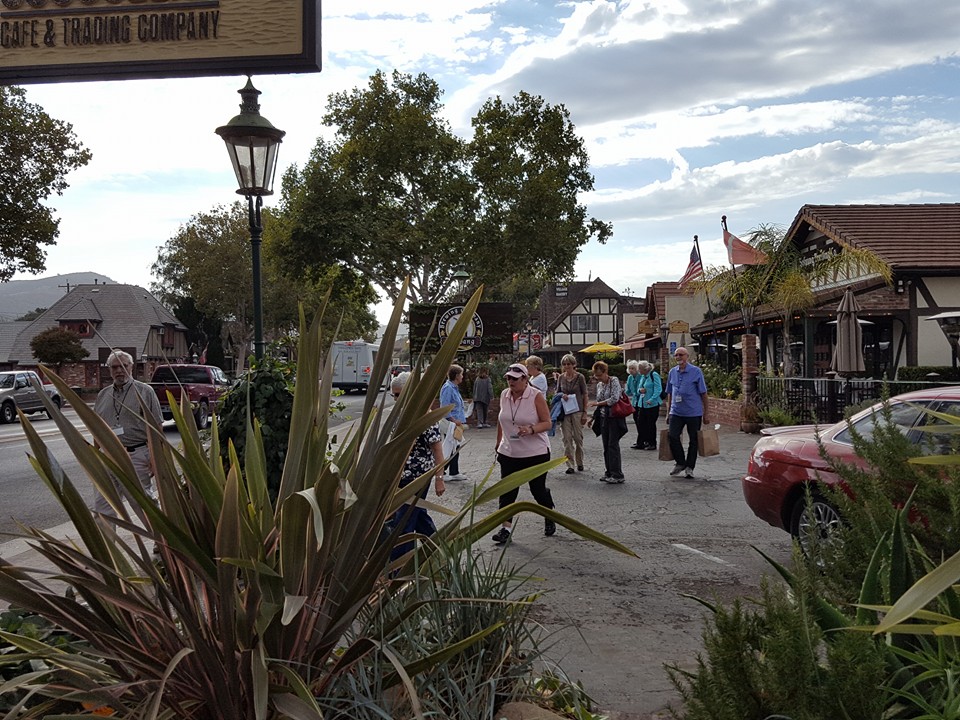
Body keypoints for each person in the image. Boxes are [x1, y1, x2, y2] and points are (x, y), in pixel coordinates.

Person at [92, 349, 164, 521]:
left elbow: (156, 428)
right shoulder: (103, 395)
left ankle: (162, 540)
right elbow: (97, 428)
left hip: (136, 455)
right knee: (103, 504)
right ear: (109, 369)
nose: (119, 370)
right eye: (114, 367)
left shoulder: (145, 392)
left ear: (131, 366)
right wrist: (95, 457)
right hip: (108, 457)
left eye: (123, 366)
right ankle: (108, 545)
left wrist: (155, 461)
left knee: (143, 502)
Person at [491, 363, 556, 544]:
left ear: (525, 379)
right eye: (508, 378)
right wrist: (498, 442)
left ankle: (549, 514)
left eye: (515, 378)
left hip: (535, 453)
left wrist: (531, 429)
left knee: (538, 490)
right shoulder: (504, 395)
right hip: (509, 452)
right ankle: (505, 529)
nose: (511, 381)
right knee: (507, 491)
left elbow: (548, 423)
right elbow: (501, 420)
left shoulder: (535, 396)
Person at [387, 372, 446, 562]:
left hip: (419, 477)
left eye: (399, 395)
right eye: (394, 395)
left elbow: (437, 449)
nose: (396, 399)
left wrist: (439, 478)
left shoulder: (425, 417)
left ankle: (398, 567)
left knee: (403, 522)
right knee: (417, 515)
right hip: (401, 475)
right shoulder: (401, 415)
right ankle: (439, 549)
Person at [665, 347, 709, 479]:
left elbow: (704, 393)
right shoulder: (673, 372)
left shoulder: (696, 371)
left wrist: (706, 413)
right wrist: (668, 412)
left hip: (693, 412)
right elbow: (670, 393)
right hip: (676, 412)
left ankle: (690, 467)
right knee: (673, 436)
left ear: (687, 356)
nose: (678, 357)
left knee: (693, 440)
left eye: (681, 355)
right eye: (676, 355)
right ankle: (680, 462)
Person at [588, 361, 627, 483]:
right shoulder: (600, 385)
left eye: (600, 375)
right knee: (606, 446)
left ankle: (617, 474)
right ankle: (609, 471)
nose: (598, 378)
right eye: (596, 375)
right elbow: (600, 402)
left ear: (606, 372)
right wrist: (593, 418)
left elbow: (614, 398)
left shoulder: (614, 381)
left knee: (612, 445)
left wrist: (598, 403)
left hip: (614, 417)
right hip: (604, 417)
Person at [552, 353, 587, 474]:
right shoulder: (561, 377)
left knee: (578, 437)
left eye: (569, 364)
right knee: (566, 438)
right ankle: (570, 464)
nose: (567, 366)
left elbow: (585, 394)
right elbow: (557, 393)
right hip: (565, 411)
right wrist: (562, 395)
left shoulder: (580, 377)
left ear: (574, 365)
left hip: (577, 410)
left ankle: (580, 461)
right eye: (565, 364)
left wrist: (585, 413)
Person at [439, 364, 468, 481]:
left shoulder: (454, 388)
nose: (462, 376)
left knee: (455, 447)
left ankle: (454, 471)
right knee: (448, 447)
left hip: (456, 423)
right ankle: (443, 471)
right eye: (461, 374)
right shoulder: (448, 388)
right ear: (456, 376)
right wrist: (453, 420)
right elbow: (445, 407)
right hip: (451, 424)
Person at [636, 360, 663, 451]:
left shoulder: (654, 375)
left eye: (639, 369)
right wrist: (640, 391)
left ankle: (652, 443)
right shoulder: (643, 377)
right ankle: (642, 442)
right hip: (642, 403)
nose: (638, 371)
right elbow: (638, 389)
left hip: (652, 404)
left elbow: (658, 389)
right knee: (640, 423)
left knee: (650, 424)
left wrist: (652, 399)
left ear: (645, 369)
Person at [625, 360, 643, 449]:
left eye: (633, 368)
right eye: (630, 368)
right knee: (636, 420)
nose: (631, 370)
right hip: (634, 402)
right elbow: (627, 390)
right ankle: (640, 440)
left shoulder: (640, 377)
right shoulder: (630, 378)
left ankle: (641, 441)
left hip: (641, 401)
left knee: (641, 422)